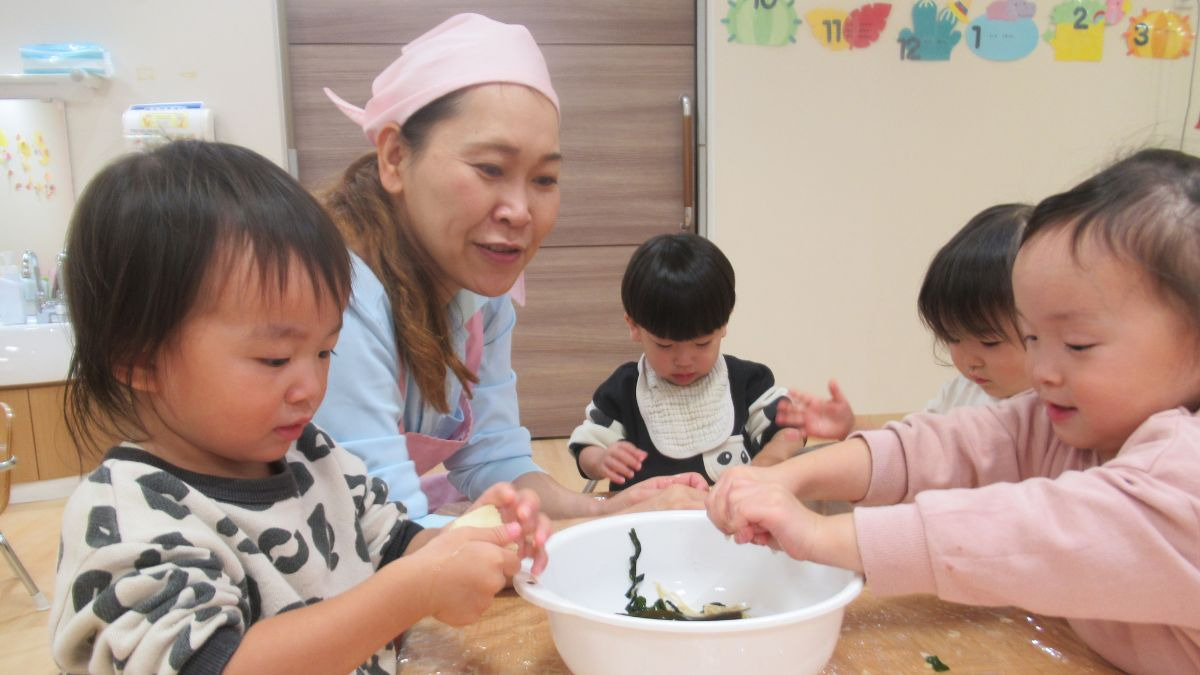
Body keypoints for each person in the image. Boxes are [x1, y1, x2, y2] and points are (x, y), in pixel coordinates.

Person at [51, 141, 550, 674]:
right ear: (138, 358)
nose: (310, 386)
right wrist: (415, 589)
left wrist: (472, 544)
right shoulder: (128, 520)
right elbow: (214, 665)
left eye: (324, 351)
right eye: (273, 358)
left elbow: (396, 543)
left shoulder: (314, 457)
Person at [705, 148, 1200, 674]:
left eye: (1078, 344)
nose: (1042, 371)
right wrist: (790, 478)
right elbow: (946, 444)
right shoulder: (1072, 419)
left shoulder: (1184, 472)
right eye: (1032, 337)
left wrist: (821, 536)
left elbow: (1022, 532)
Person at [316, 13, 707, 526]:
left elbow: (493, 461)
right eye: (490, 169)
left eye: (544, 179)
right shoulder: (337, 294)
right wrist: (597, 526)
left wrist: (606, 509)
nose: (520, 211)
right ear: (393, 157)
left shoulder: (482, 298)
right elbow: (388, 533)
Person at [779, 203, 1033, 444]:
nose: (970, 361)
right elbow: (908, 448)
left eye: (989, 342)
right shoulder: (961, 392)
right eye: (953, 338)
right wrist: (852, 427)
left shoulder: (1048, 413)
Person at [567, 233, 798, 489]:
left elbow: (791, 427)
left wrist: (770, 460)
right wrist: (601, 459)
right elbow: (587, 444)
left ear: (723, 325)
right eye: (665, 346)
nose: (685, 361)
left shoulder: (746, 381)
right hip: (649, 520)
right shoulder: (623, 390)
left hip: (730, 519)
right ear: (634, 327)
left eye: (702, 344)